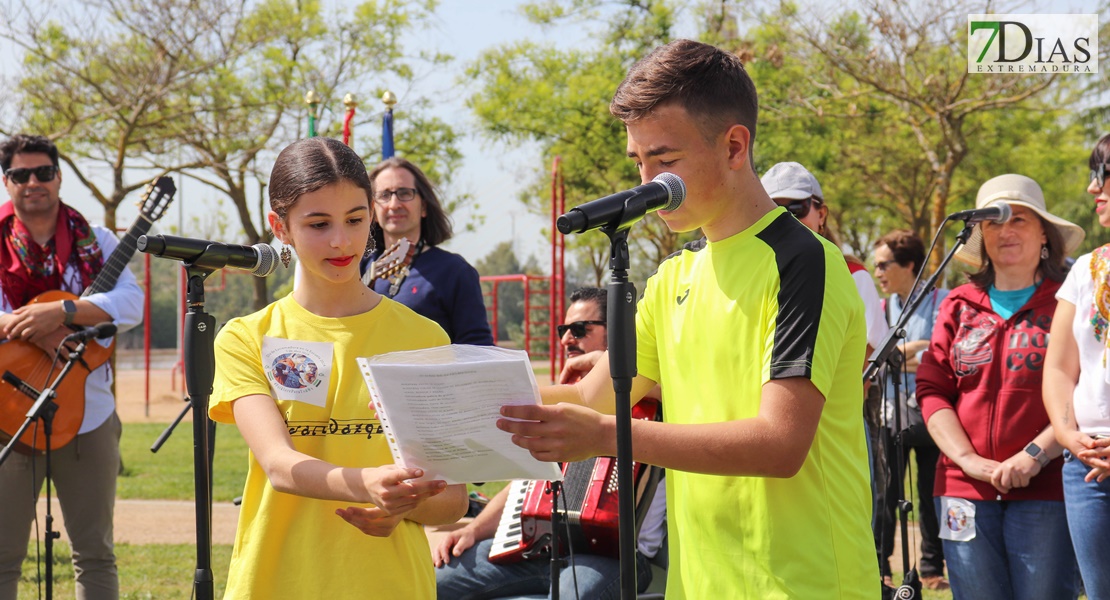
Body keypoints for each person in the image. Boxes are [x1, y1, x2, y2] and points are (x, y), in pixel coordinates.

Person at [496, 39, 877, 598]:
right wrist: (455, 398)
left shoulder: (805, 261)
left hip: (807, 582)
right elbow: (589, 401)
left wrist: (605, 436)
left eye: (666, 159)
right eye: (638, 161)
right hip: (699, 584)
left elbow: (779, 444)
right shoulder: (672, 276)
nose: (648, 180)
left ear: (734, 146)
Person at [209, 137, 468, 598]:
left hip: (391, 585)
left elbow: (451, 499)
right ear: (280, 226)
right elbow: (280, 466)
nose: (341, 241)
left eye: (354, 219)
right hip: (276, 582)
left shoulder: (424, 338)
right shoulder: (247, 336)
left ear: (371, 212)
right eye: (318, 223)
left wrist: (402, 507)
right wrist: (368, 483)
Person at [434, 287, 667, 599]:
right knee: (433, 581)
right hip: (540, 547)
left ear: (618, 332)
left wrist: (606, 364)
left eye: (580, 329)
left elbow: (680, 393)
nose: (566, 339)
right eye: (563, 330)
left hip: (616, 557)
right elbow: (528, 485)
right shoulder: (565, 396)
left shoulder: (651, 394)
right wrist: (473, 530)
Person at [916, 173, 1084, 600]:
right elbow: (932, 390)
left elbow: (1082, 387)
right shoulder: (957, 303)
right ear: (979, 237)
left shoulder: (1070, 301)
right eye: (992, 221)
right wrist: (968, 460)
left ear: (1044, 233)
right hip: (962, 488)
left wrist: (1034, 456)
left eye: (1020, 220)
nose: (1005, 231)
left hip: (1046, 485)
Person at [0, 134, 143, 599]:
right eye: (21, 175)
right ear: (7, 183)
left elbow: (131, 303)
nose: (33, 182)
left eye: (43, 172)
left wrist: (62, 313)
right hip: (8, 416)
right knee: (1, 558)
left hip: (90, 417)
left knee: (95, 555)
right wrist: (30, 323)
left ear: (59, 176)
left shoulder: (97, 241)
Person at [1043, 133, 1110, 600]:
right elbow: (1060, 370)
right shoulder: (1085, 269)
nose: (1093, 188)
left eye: (1103, 174)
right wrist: (1068, 437)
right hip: (1086, 467)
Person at [871, 229, 948, 590]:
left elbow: (942, 356)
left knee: (932, 493)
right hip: (889, 415)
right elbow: (880, 357)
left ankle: (932, 568)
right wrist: (918, 349)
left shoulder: (944, 301)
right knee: (886, 493)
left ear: (910, 265)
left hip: (935, 414)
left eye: (884, 265)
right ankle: (881, 564)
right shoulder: (881, 308)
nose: (878, 274)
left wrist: (906, 352)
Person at [361, 157, 493, 345]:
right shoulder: (359, 267)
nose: (394, 204)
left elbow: (477, 346)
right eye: (384, 195)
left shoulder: (454, 271)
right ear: (372, 211)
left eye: (404, 193)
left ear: (423, 207)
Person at [761, 162, 888, 355]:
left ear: (821, 214)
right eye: (775, 210)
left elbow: (872, 349)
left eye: (796, 209)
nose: (786, 219)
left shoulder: (853, 275)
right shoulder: (754, 275)